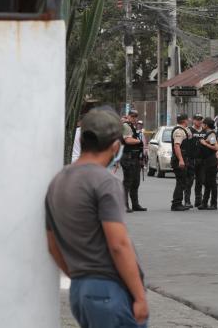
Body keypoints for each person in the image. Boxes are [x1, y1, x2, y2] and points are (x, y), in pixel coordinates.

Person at [45, 108, 148, 327]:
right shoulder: (104, 182)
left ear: (82, 140)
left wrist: (79, 277)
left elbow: (52, 245)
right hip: (110, 289)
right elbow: (118, 244)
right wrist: (139, 296)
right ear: (115, 145)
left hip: (81, 290)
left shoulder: (58, 181)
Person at [121, 110, 147, 213]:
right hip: (128, 157)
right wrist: (139, 141)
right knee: (128, 182)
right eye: (132, 116)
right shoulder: (126, 126)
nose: (134, 118)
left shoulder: (132, 126)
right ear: (128, 116)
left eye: (136, 116)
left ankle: (135, 205)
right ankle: (124, 205)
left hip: (135, 158)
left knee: (135, 182)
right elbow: (128, 140)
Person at [171, 114, 192, 211]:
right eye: (188, 119)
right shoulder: (179, 131)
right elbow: (177, 146)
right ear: (184, 120)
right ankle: (176, 204)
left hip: (183, 159)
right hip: (179, 160)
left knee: (182, 181)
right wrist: (181, 160)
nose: (189, 120)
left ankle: (178, 202)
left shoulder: (184, 130)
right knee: (180, 182)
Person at [197, 117, 218, 210]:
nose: (202, 125)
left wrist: (204, 143)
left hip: (211, 161)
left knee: (212, 183)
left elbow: (216, 147)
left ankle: (213, 203)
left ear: (206, 125)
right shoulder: (208, 134)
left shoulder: (212, 134)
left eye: (203, 124)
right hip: (206, 161)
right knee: (206, 182)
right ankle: (204, 202)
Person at [184, 115, 205, 208]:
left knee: (200, 181)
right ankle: (187, 201)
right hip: (191, 159)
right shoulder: (189, 130)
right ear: (193, 120)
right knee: (189, 181)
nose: (199, 121)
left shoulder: (204, 131)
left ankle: (198, 200)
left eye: (200, 120)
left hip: (202, 159)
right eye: (197, 119)